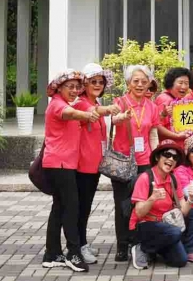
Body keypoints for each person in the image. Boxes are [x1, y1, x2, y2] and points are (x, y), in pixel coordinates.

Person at [42, 70, 98, 272]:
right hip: (60, 165)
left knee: (59, 208)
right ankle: (73, 254)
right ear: (59, 88)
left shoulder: (65, 103)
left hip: (63, 164)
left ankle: (52, 254)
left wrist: (101, 111)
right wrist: (87, 114)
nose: (75, 90)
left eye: (77, 87)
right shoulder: (58, 105)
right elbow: (71, 114)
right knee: (71, 209)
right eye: (70, 87)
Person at [110, 65, 161, 261]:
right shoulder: (120, 102)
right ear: (128, 83)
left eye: (144, 81)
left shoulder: (152, 106)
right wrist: (121, 118)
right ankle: (122, 245)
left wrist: (156, 158)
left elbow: (153, 134)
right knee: (122, 204)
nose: (140, 85)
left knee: (142, 204)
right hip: (123, 161)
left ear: (149, 84)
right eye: (136, 81)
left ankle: (138, 242)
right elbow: (111, 121)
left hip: (145, 161)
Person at [73, 64, 120, 266]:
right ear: (85, 84)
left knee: (86, 206)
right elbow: (94, 111)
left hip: (94, 166)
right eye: (93, 81)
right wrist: (108, 109)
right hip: (83, 165)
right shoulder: (81, 103)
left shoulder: (94, 101)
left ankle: (82, 243)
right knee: (81, 207)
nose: (98, 85)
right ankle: (78, 246)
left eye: (101, 82)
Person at [128, 141, 192, 270]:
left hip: (166, 226)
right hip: (145, 225)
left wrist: (191, 199)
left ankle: (153, 251)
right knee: (174, 232)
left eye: (175, 157)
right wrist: (152, 199)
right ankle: (141, 247)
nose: (171, 159)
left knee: (180, 261)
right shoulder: (145, 178)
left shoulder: (173, 179)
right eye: (167, 154)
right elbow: (139, 213)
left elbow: (184, 211)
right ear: (157, 157)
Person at [155, 67, 192, 150]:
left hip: (180, 146)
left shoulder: (180, 100)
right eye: (180, 83)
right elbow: (157, 126)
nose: (184, 86)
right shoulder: (164, 99)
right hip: (169, 148)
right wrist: (177, 136)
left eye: (186, 83)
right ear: (171, 83)